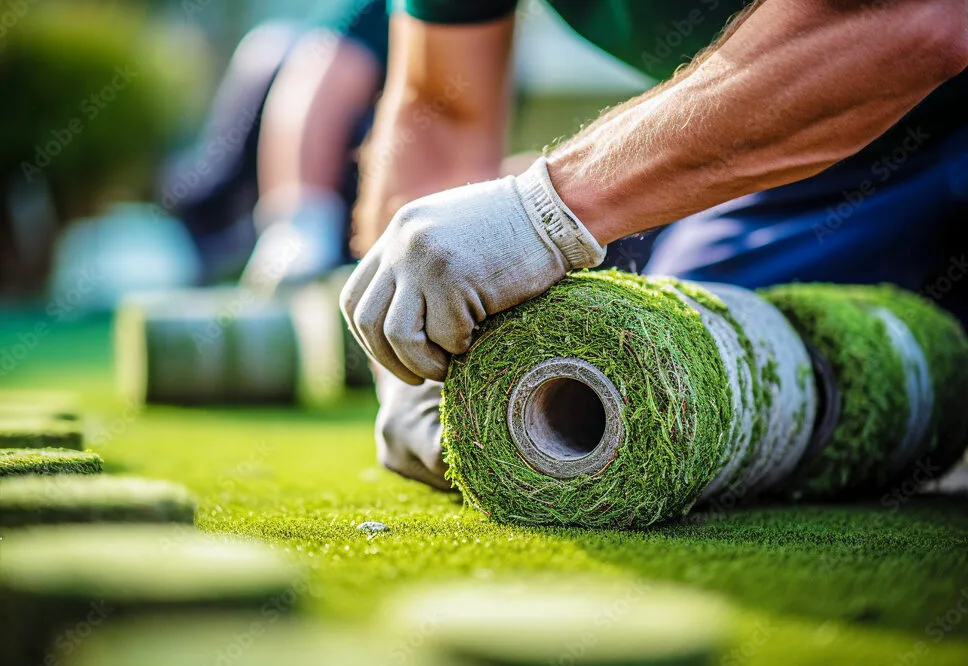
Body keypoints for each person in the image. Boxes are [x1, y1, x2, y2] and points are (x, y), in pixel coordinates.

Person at [340, 0, 968, 487]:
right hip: (801, 173)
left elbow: (907, 17)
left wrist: (546, 211)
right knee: (682, 383)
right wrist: (415, 341)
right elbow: (442, 108)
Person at [157, 0, 388, 286]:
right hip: (282, 161)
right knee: (270, 51)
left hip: (373, 188)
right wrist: (302, 219)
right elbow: (339, 58)